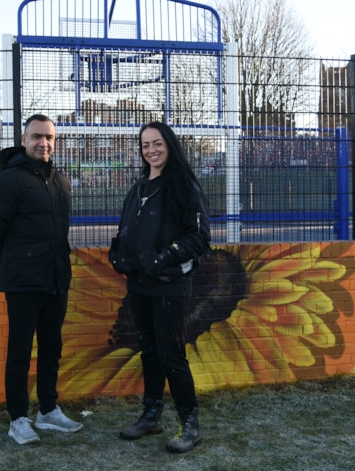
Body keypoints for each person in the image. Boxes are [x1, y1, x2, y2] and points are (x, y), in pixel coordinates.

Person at [0, 114, 83, 445]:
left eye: (49, 137)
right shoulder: (10, 181)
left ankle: (48, 411)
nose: (44, 143)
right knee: (20, 352)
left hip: (55, 278)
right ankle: (18, 418)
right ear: (23, 140)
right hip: (23, 283)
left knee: (52, 347)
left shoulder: (61, 181)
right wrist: (12, 269)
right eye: (37, 136)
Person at [109, 121, 211, 454]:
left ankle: (190, 424)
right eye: (145, 145)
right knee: (149, 352)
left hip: (170, 285)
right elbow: (127, 231)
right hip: (139, 285)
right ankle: (151, 414)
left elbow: (199, 237)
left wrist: (166, 257)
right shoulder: (139, 188)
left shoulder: (183, 185)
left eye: (157, 143)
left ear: (169, 145)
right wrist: (118, 252)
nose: (151, 150)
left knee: (171, 355)